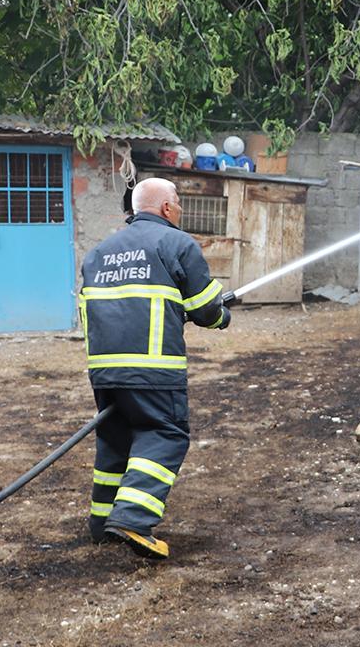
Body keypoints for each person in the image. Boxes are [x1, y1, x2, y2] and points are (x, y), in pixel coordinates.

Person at [79, 178, 231, 559]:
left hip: (104, 369)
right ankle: (132, 518)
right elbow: (206, 308)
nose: (179, 211)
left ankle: (102, 523)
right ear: (166, 208)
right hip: (153, 369)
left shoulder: (99, 253)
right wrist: (222, 316)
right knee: (165, 433)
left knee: (115, 438)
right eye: (178, 204)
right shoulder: (176, 244)